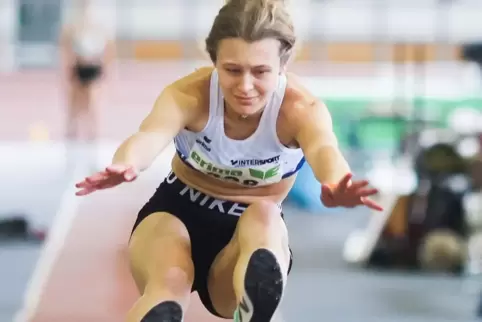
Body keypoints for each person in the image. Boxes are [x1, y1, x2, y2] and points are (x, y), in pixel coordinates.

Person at [75, 0, 383, 320]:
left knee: (264, 215)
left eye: (261, 71)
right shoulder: (190, 95)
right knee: (169, 287)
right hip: (173, 214)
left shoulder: (301, 110)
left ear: (283, 65)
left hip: (244, 238)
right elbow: (149, 135)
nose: (245, 86)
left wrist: (336, 182)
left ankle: (254, 304)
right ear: (215, 61)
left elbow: (324, 150)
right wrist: (127, 163)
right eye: (232, 70)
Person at [59, 0, 115, 166]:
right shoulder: (72, 26)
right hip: (78, 67)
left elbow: (109, 50)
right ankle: (71, 145)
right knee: (74, 109)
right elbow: (65, 48)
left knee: (92, 107)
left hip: (93, 68)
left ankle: (92, 144)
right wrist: (67, 71)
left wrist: (107, 70)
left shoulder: (99, 25)